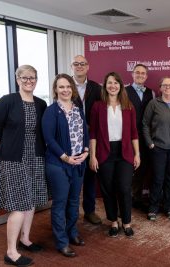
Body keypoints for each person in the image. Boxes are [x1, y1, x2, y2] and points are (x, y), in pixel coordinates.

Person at [0, 65, 48, 266]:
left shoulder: (41, 104)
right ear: (17, 79)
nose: (29, 81)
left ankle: (25, 239)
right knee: (20, 205)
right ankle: (11, 252)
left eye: (32, 77)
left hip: (36, 158)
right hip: (13, 159)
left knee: (30, 202)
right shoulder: (7, 101)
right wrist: (10, 142)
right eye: (24, 77)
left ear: (36, 80)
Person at [42, 74, 89, 257]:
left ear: (72, 88)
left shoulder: (78, 108)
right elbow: (49, 138)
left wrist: (85, 150)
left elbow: (84, 131)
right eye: (61, 87)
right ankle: (61, 241)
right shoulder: (51, 111)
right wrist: (65, 157)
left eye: (68, 86)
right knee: (60, 203)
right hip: (59, 164)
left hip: (78, 163)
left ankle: (72, 233)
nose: (65, 90)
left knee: (74, 201)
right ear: (55, 90)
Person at [89, 72, 140, 238]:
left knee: (125, 188)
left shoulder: (128, 106)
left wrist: (137, 154)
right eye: (109, 83)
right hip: (104, 152)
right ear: (105, 86)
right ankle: (113, 221)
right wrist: (93, 156)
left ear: (121, 86)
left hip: (124, 152)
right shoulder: (97, 106)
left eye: (116, 83)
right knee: (108, 189)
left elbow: (134, 133)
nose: (113, 86)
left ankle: (126, 222)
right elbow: (93, 134)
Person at [143, 77, 170, 221]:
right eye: (164, 85)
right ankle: (153, 208)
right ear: (160, 88)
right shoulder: (153, 103)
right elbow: (145, 124)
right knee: (157, 179)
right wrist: (150, 143)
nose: (167, 87)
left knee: (169, 179)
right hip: (158, 148)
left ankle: (169, 207)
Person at [71, 55, 102, 225]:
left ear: (88, 67)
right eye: (76, 64)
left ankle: (89, 211)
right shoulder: (66, 85)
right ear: (72, 66)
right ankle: (72, 213)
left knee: (90, 175)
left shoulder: (96, 88)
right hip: (71, 138)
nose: (80, 66)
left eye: (82, 64)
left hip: (91, 137)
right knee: (73, 176)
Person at [125, 64, 154, 209]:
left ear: (146, 76)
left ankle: (136, 198)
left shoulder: (152, 93)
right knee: (126, 170)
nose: (140, 75)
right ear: (132, 74)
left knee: (141, 169)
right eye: (137, 73)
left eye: (143, 73)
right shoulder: (124, 92)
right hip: (128, 137)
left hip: (145, 138)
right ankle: (125, 200)